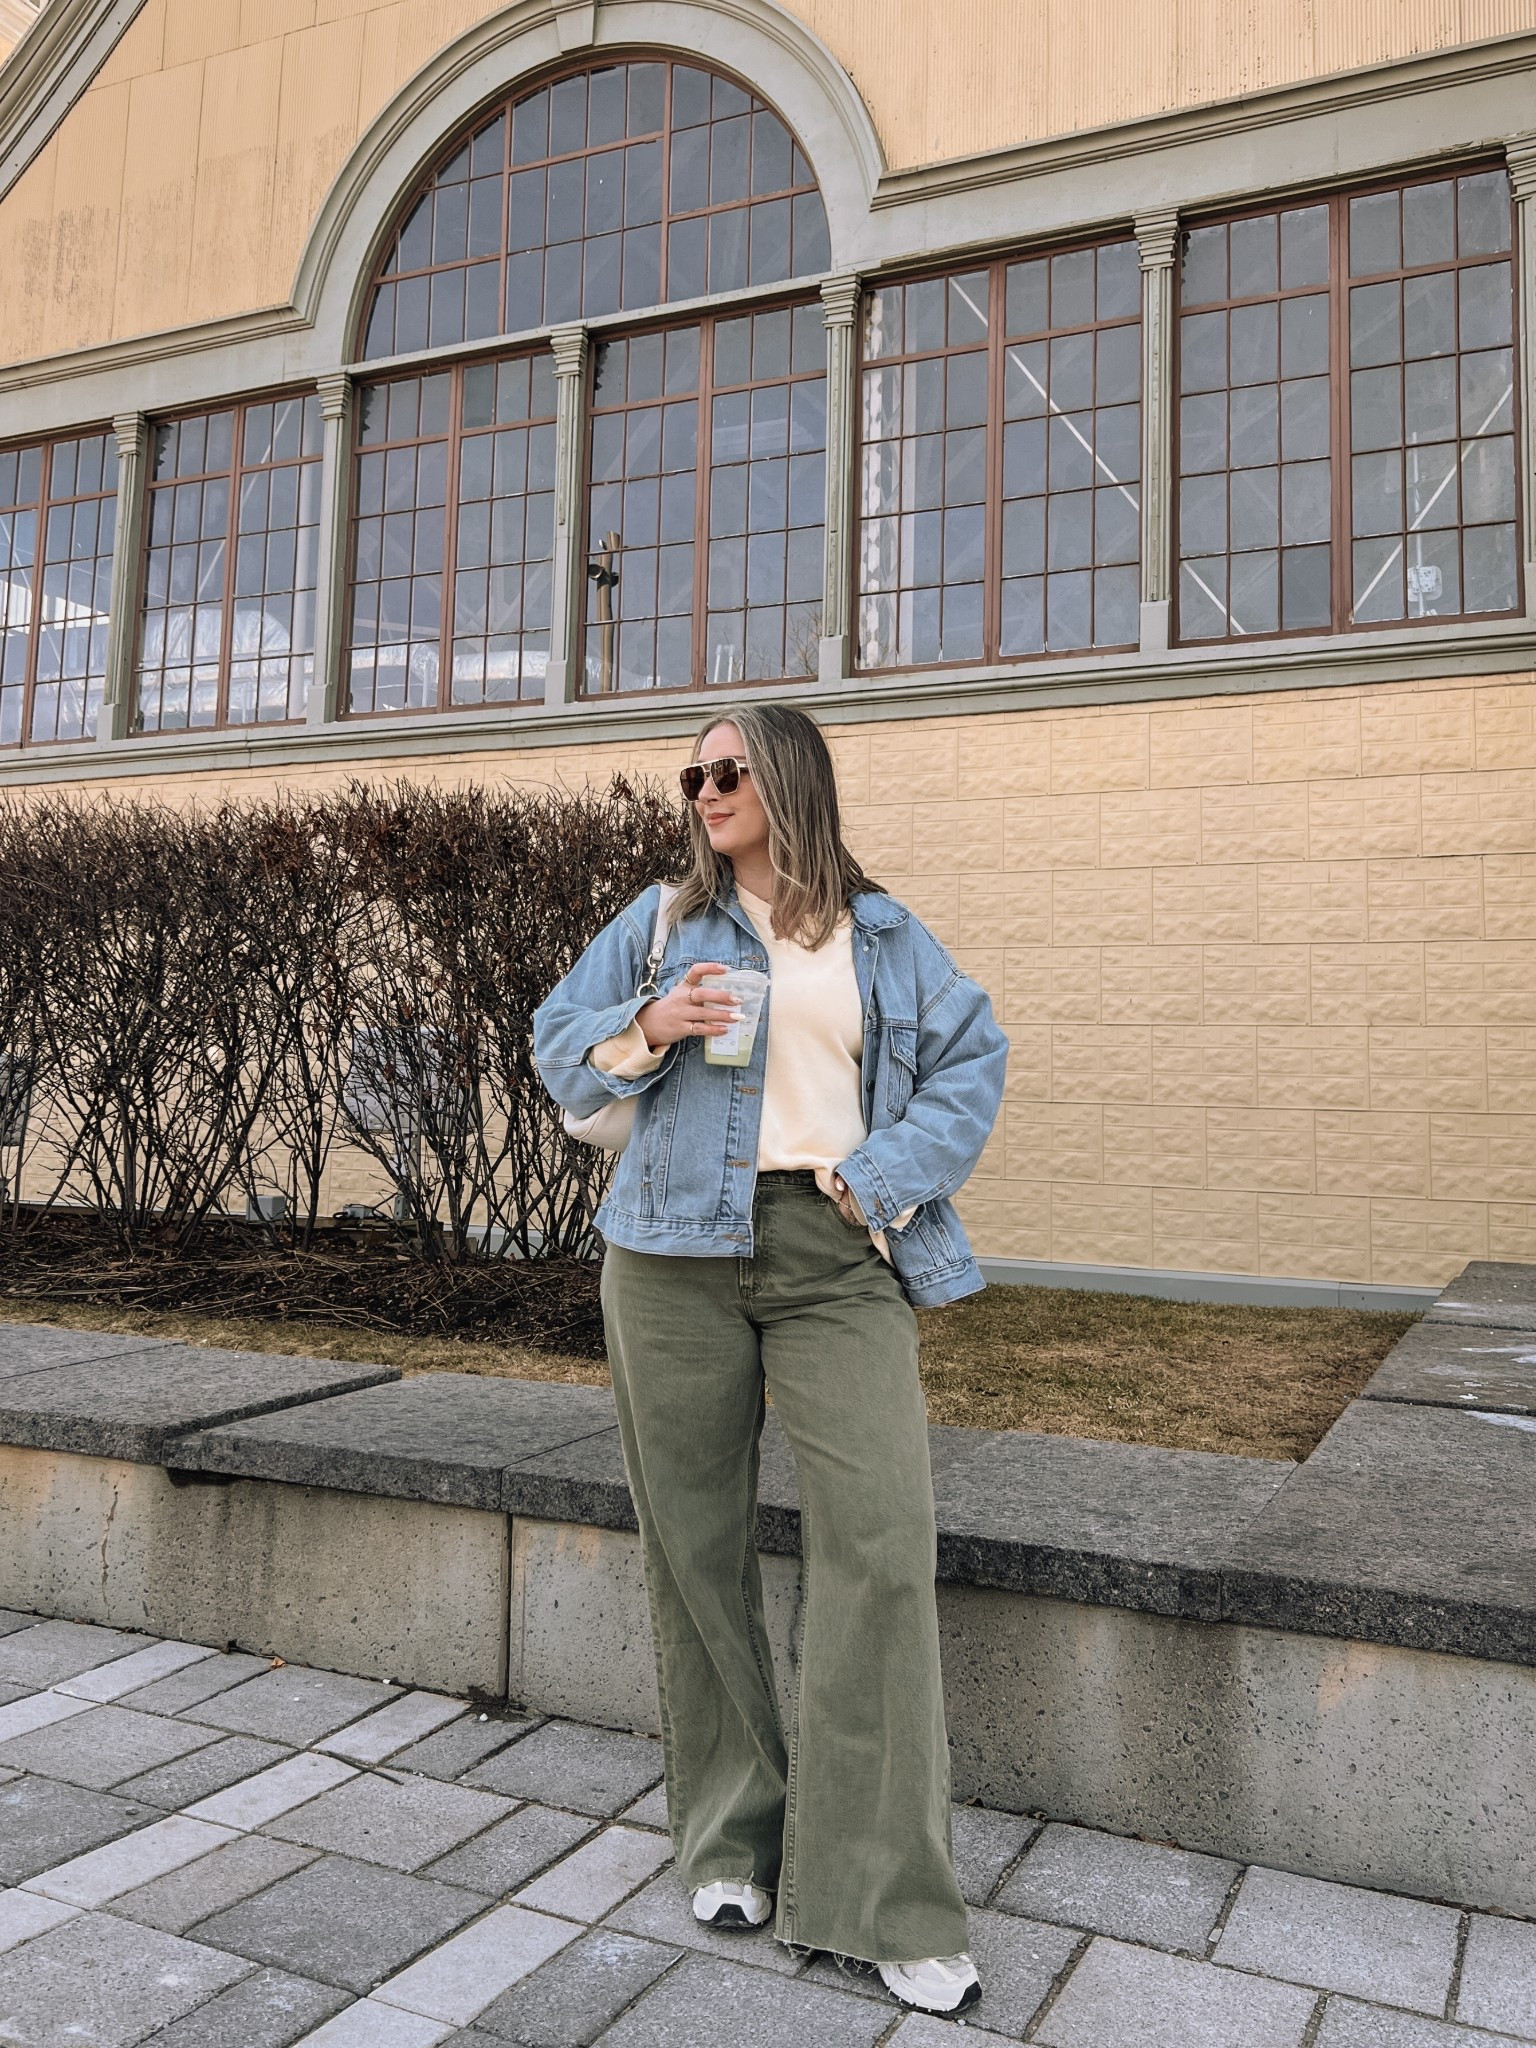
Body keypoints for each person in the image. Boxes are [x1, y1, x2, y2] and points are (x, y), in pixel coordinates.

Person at [533, 703, 1008, 2016]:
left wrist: (878, 1181)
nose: (703, 790)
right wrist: (653, 1025)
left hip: (832, 1248)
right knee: (695, 1545)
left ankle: (884, 1896)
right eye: (692, 776)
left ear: (788, 777)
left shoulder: (888, 935)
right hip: (669, 1253)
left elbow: (972, 1063)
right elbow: (556, 1052)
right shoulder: (659, 921)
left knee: (880, 1542)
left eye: (726, 769)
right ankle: (733, 1838)